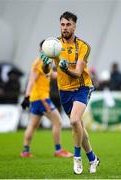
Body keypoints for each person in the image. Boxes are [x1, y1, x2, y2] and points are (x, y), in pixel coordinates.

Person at [41, 11, 100, 174]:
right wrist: (46, 63)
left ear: (74, 26)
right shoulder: (53, 44)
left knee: (74, 121)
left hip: (82, 87)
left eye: (68, 24)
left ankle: (77, 158)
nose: (65, 28)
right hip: (64, 91)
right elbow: (46, 71)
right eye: (62, 24)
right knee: (79, 125)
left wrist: (65, 69)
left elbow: (79, 72)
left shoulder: (83, 46)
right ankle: (93, 158)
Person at [20, 41, 73, 158]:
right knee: (58, 121)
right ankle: (58, 150)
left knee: (32, 126)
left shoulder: (45, 62)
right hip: (41, 98)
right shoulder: (39, 62)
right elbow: (31, 81)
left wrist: (65, 72)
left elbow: (51, 75)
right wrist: (26, 97)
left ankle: (25, 151)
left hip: (37, 99)